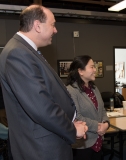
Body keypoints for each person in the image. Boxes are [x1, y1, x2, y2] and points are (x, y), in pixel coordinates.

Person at [0, 5, 88, 160]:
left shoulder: (26, 51)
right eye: (53, 24)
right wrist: (72, 129)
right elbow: (41, 106)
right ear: (37, 26)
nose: (55, 30)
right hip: (41, 149)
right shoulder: (18, 53)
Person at [66, 55, 110, 160]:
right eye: (92, 67)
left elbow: (102, 110)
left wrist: (106, 124)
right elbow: (76, 117)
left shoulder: (94, 88)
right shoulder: (71, 90)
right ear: (81, 71)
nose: (95, 70)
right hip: (83, 145)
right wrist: (98, 126)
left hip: (98, 141)